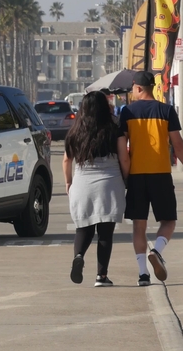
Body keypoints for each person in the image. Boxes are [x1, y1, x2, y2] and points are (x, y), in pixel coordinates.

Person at [118, 71, 183, 287]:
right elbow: (178, 143)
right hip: (160, 174)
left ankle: (143, 273)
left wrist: (125, 175)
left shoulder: (127, 112)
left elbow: (122, 147)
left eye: (133, 88)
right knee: (168, 221)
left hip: (136, 175)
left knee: (138, 226)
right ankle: (157, 251)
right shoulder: (166, 110)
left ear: (139, 88)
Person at [63, 91, 130, 288]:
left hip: (82, 182)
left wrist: (68, 182)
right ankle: (101, 276)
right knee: (105, 231)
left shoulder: (74, 133)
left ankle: (78, 255)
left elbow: (67, 160)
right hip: (109, 182)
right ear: (104, 107)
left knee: (83, 227)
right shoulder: (114, 129)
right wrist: (127, 179)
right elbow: (124, 158)